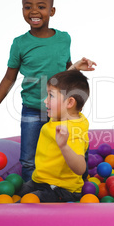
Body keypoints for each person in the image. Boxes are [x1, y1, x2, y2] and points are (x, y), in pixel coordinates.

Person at [0, 0, 96, 182]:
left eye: (41, 7)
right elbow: (9, 77)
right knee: (28, 158)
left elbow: (64, 73)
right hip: (33, 108)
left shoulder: (63, 39)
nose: (33, 11)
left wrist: (75, 67)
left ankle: (79, 187)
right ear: (22, 10)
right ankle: (30, 196)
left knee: (76, 148)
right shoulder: (20, 44)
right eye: (27, 7)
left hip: (62, 111)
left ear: (52, 11)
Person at [17, 70, 90, 202]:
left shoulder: (73, 131)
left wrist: (64, 146)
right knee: (16, 191)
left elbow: (80, 168)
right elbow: (64, 87)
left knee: (27, 203)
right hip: (40, 180)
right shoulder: (61, 116)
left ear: (69, 103)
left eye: (51, 96)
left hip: (60, 188)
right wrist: (74, 69)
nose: (45, 101)